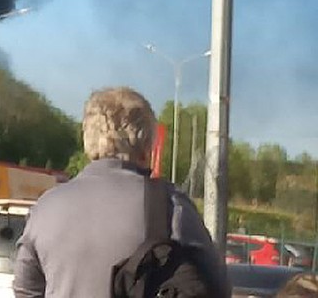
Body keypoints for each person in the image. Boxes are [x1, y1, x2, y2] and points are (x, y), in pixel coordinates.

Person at [12, 86, 229, 298]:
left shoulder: (46, 208)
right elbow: (218, 288)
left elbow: (25, 290)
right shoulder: (170, 206)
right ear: (147, 144)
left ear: (88, 140)